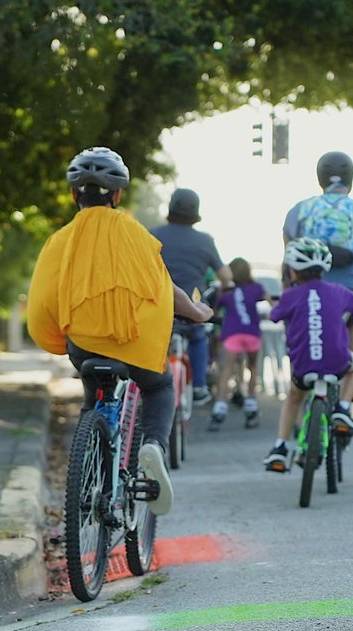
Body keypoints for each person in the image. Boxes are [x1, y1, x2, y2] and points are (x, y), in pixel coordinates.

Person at [26, 147, 213, 515]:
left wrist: (57, 340)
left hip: (83, 344)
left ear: (72, 194)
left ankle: (88, 466)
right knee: (159, 387)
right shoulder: (135, 234)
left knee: (91, 396)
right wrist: (197, 312)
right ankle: (154, 447)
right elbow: (163, 288)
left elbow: (42, 299)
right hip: (135, 344)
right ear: (117, 195)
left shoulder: (60, 241)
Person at [264, 238, 353, 473]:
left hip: (303, 366)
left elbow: (273, 316)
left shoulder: (289, 297)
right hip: (337, 362)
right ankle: (343, 409)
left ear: (293, 270)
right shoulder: (339, 291)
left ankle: (280, 448)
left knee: (294, 397)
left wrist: (272, 304)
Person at [281, 151, 353, 402]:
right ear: (351, 178)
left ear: (320, 178)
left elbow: (288, 258)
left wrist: (286, 292)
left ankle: (300, 370)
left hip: (306, 288)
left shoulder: (300, 210)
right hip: (351, 286)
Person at [150, 188, 232, 405]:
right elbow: (225, 276)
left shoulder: (152, 234)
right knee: (197, 337)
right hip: (193, 307)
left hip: (158, 306)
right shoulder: (205, 241)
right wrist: (227, 286)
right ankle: (199, 386)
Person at [208, 258, 265, 432]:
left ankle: (219, 408)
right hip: (252, 333)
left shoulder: (226, 291)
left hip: (231, 333)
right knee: (253, 368)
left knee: (226, 370)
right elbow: (269, 302)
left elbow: (215, 311)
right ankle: (251, 405)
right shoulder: (256, 288)